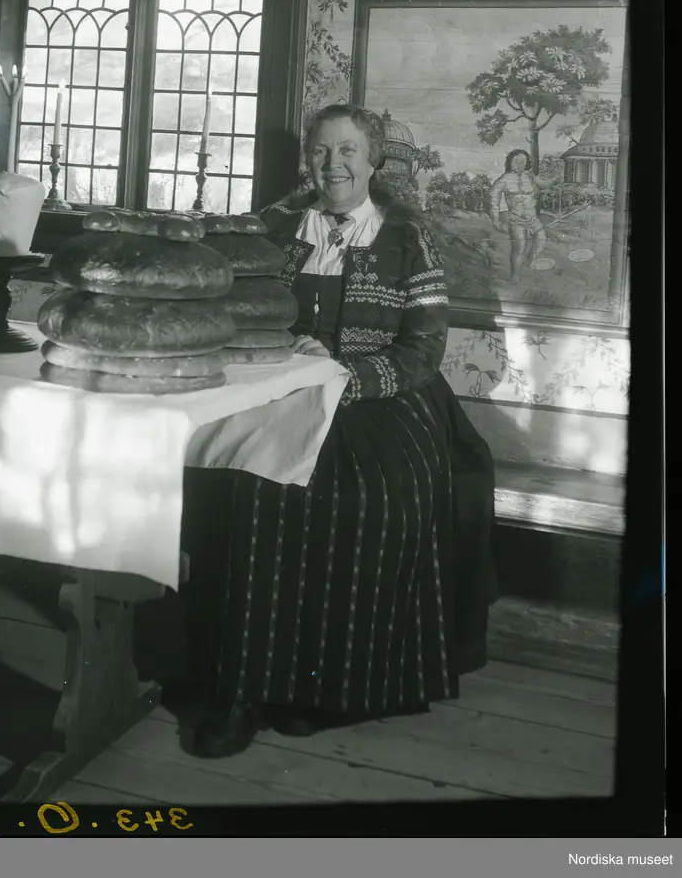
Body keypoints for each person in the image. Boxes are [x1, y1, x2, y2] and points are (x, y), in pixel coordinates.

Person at [181, 103, 497, 759]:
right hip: (281, 386)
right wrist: (282, 350)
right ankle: (241, 692)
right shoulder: (272, 224)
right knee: (254, 484)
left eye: (348, 150)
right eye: (322, 150)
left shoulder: (407, 234)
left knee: (370, 497)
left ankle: (326, 690)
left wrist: (351, 375)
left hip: (383, 395)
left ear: (373, 159)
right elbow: (228, 309)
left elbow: (425, 348)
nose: (334, 165)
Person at [489, 148, 552, 281]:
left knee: (541, 238)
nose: (519, 165)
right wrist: (495, 218)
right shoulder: (505, 179)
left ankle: (529, 262)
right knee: (519, 248)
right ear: (510, 162)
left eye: (522, 162)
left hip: (532, 218)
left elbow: (544, 185)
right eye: (516, 161)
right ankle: (515, 276)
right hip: (516, 220)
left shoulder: (529, 176)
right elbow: (494, 197)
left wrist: (556, 179)